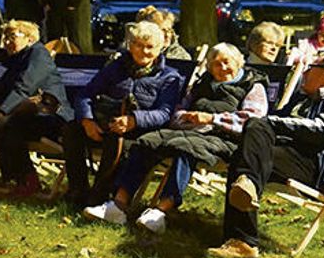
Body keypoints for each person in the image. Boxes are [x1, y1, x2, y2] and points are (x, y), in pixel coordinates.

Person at [91, 43, 268, 233]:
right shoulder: (202, 83)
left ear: (239, 62)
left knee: (186, 149)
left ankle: (161, 212)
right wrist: (188, 118)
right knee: (147, 142)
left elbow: (252, 121)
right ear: (209, 67)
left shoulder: (252, 84)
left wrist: (212, 119)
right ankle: (118, 205)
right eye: (217, 64)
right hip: (189, 130)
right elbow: (176, 113)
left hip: (224, 138)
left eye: (227, 62)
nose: (223, 68)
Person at [210, 52, 324, 258]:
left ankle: (243, 236)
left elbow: (322, 129)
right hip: (288, 155)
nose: (306, 72)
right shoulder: (305, 99)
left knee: (255, 134)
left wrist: (270, 123)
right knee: (246, 152)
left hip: (316, 167)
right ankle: (242, 233)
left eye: (311, 68)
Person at [64, 21, 183, 210]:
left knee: (117, 140)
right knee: (72, 129)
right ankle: (78, 189)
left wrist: (134, 120)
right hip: (107, 120)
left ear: (161, 48)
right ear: (130, 45)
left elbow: (165, 113)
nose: (143, 52)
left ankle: (99, 195)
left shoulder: (169, 77)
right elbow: (85, 94)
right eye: (137, 45)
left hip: (139, 131)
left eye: (149, 47)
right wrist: (87, 120)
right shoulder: (115, 67)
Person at [0, 19, 72, 197]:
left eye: (12, 37)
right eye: (5, 38)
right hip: (22, 116)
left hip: (50, 116)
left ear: (29, 38)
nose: (6, 42)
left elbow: (23, 88)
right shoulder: (16, 59)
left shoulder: (38, 54)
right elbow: (5, 95)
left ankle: (27, 180)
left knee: (3, 125)